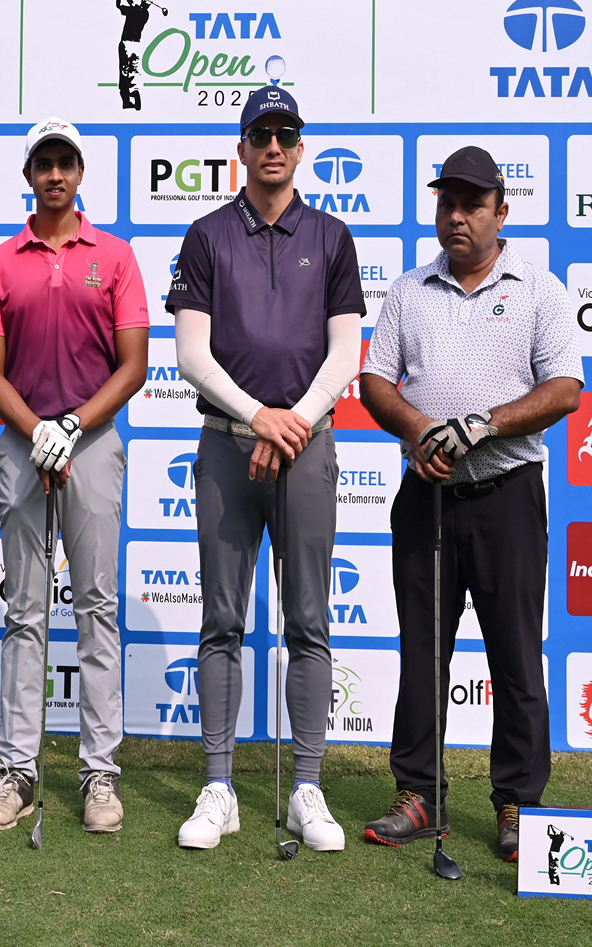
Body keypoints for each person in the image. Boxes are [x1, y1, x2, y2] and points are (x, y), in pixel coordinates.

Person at [358, 144, 583, 864]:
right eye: (446, 204)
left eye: (472, 205)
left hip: (507, 495)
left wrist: (483, 423)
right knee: (423, 653)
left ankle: (518, 803)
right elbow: (374, 381)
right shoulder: (407, 290)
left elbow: (565, 389)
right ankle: (419, 795)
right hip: (426, 498)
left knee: (515, 656)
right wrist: (419, 427)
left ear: (500, 213)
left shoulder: (540, 288)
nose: (456, 217)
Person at [165, 86, 366, 852]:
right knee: (222, 620)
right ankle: (219, 785)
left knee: (309, 621)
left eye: (286, 133)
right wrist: (259, 419)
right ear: (241, 150)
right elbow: (191, 354)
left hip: (306, 444)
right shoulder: (206, 234)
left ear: (300, 148)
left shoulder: (334, 236)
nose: (274, 146)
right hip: (226, 444)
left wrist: (291, 425)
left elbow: (345, 352)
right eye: (261, 134)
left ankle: (306, 789)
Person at [0, 118, 149, 834]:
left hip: (93, 443)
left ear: (80, 174)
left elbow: (132, 364)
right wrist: (36, 428)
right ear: (29, 175)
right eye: (42, 163)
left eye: (64, 163)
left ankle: (99, 775)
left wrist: (72, 425)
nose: (54, 174)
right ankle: (17, 770)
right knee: (24, 612)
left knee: (98, 608)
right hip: (21, 442)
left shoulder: (115, 255)